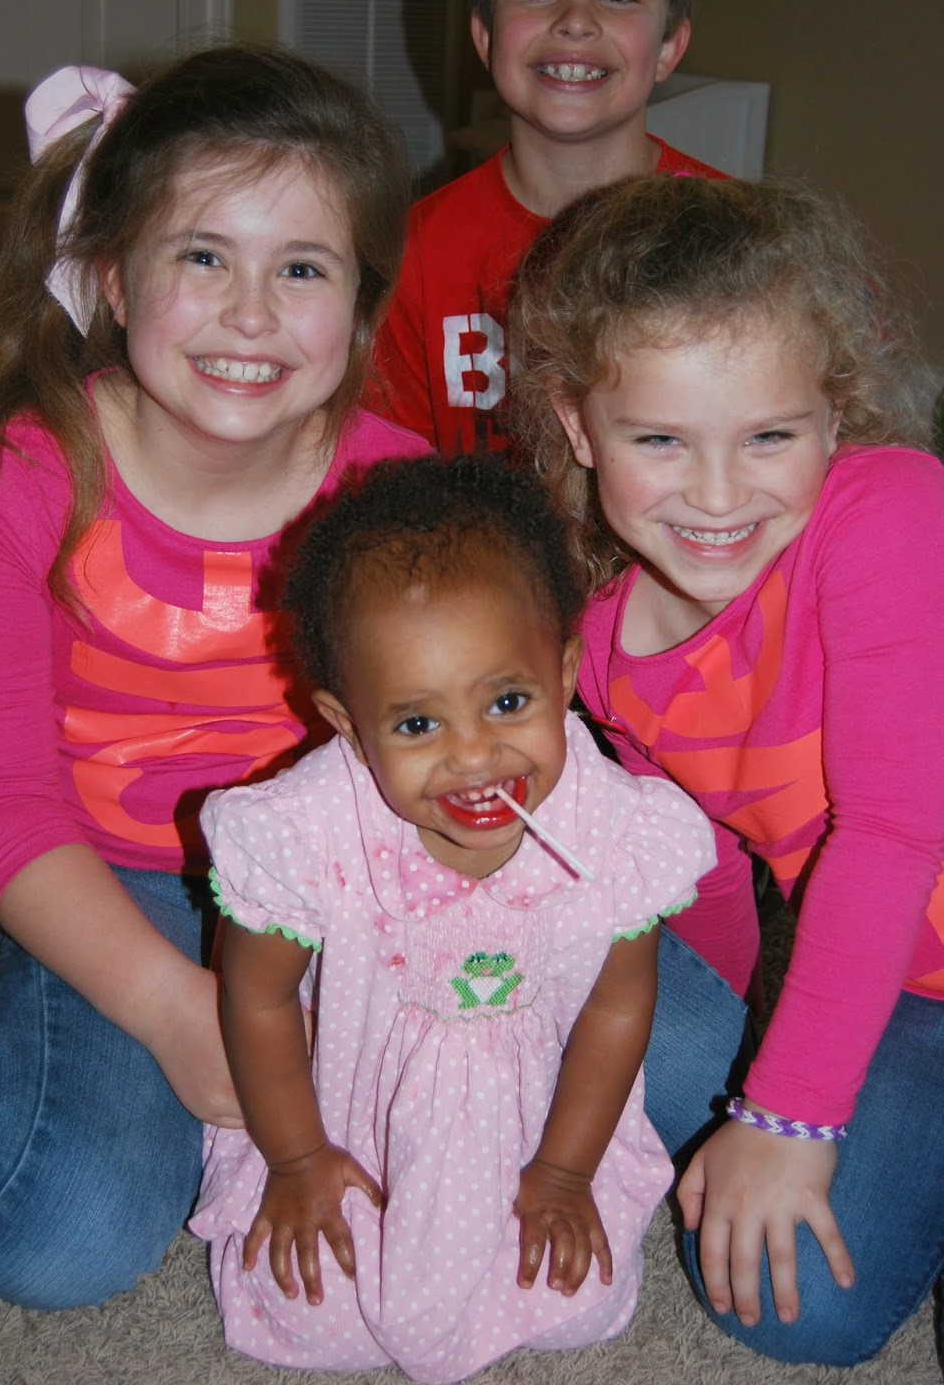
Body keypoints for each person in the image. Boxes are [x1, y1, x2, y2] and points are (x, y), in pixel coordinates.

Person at [0, 44, 429, 1309]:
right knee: (57, 1235)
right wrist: (176, 1010)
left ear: (360, 302)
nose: (252, 314)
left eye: (303, 268)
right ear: (114, 276)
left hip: (341, 874)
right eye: (203, 257)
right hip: (104, 867)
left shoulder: (403, 493)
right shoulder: (7, 486)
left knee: (603, 1091)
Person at [509, 173, 944, 1367]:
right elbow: (704, 876)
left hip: (903, 915)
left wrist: (789, 1109)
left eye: (769, 437)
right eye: (660, 439)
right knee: (785, 1300)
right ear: (578, 426)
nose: (715, 495)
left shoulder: (891, 510)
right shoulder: (603, 653)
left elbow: (894, 831)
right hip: (908, 993)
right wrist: (767, 1064)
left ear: (834, 418)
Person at [190, 455, 715, 1384]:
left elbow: (615, 1006)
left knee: (581, 1302)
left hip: (533, 1110)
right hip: (353, 1107)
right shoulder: (307, 831)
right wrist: (298, 1158)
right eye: (415, 725)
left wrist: (564, 1171)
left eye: (507, 703)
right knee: (314, 1317)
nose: (474, 757)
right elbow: (260, 998)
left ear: (562, 672)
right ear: (346, 725)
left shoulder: (613, 829)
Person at [369, 0, 724, 457]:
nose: (575, 20)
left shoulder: (743, 244)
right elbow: (387, 469)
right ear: (486, 37)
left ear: (669, 46)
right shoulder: (413, 256)